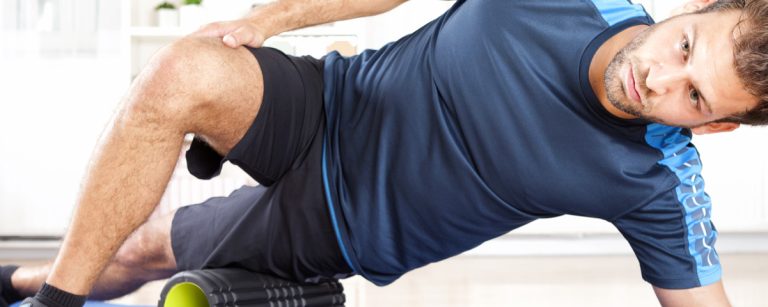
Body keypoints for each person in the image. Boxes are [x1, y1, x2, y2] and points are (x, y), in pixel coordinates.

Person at [1, 0, 767, 306]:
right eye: (684, 46)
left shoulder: (660, 183)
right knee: (180, 72)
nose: (656, 78)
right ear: (692, 10)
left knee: (147, 251)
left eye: (694, 97)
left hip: (337, 222)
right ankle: (53, 301)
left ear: (715, 127)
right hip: (329, 101)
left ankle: (24, 280)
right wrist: (264, 24)